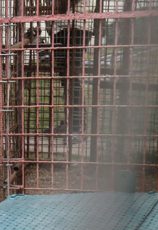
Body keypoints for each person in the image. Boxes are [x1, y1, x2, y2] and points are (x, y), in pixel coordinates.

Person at [51, 0, 93, 141]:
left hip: (76, 27)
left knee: (73, 80)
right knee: (67, 80)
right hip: (63, 27)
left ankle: (78, 128)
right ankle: (71, 124)